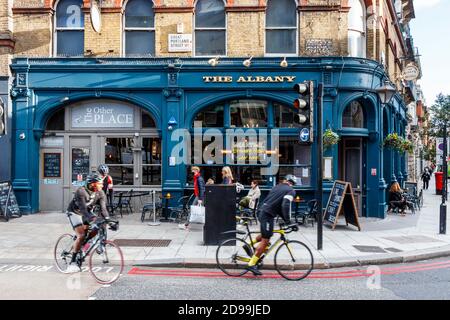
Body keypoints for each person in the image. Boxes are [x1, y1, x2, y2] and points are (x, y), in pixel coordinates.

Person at [246, 175, 299, 276]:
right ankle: (251, 264)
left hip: (262, 211)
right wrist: (289, 222)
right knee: (265, 240)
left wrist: (285, 220)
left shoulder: (276, 187)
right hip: (267, 214)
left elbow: (277, 205)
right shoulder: (291, 191)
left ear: (285, 181)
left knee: (267, 234)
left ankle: (248, 245)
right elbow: (285, 205)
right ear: (292, 183)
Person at [66, 173, 109, 273]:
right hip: (75, 212)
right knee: (81, 235)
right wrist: (93, 219)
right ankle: (72, 262)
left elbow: (103, 209)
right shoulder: (81, 192)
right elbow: (84, 210)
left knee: (95, 229)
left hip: (87, 213)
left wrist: (108, 219)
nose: (102, 185)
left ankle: (81, 246)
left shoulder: (100, 193)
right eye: (100, 183)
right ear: (92, 184)